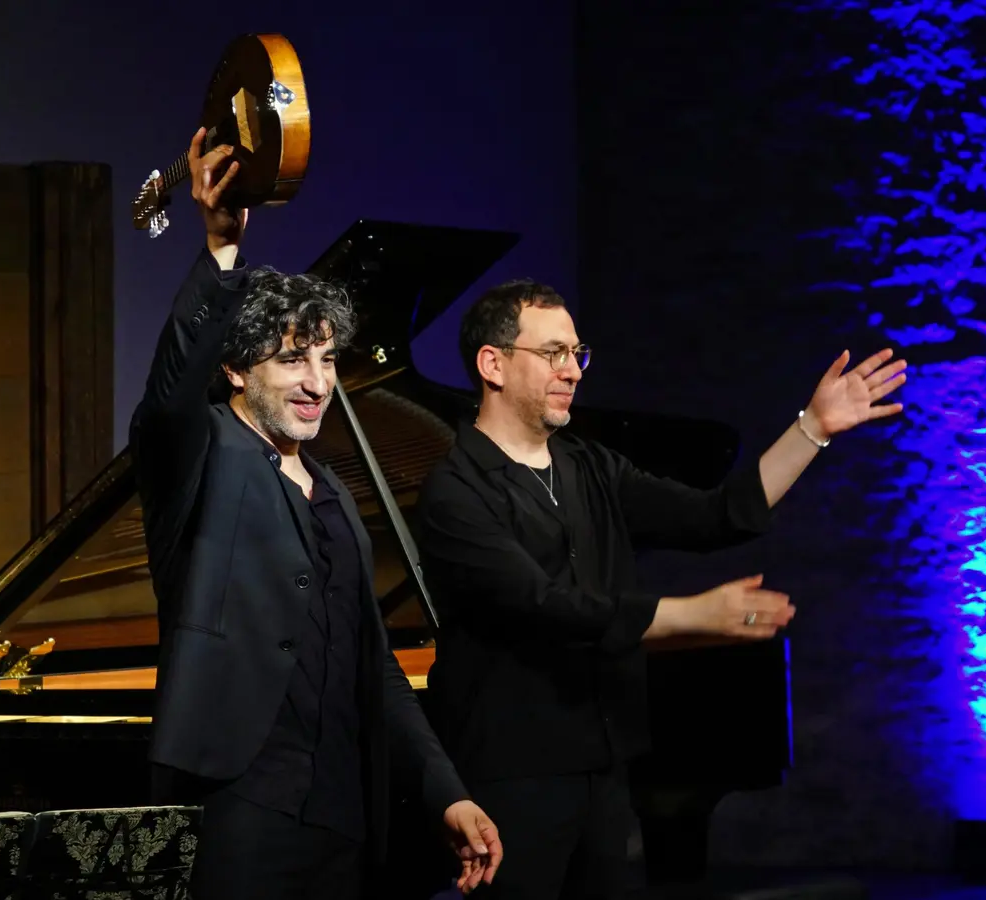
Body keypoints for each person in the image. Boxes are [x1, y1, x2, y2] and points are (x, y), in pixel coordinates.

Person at [415, 279, 907, 898]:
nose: (572, 370)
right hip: (512, 774)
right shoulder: (455, 490)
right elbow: (545, 606)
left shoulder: (589, 465)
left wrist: (814, 427)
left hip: (604, 762)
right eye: (553, 354)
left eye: (577, 354)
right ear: (493, 364)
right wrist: (692, 614)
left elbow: (715, 515)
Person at [129, 128, 503, 899]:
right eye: (292, 358)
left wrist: (447, 791)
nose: (316, 382)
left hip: (345, 813)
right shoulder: (198, 456)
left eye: (327, 359)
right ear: (235, 367)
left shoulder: (333, 489)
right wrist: (222, 251)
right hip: (236, 806)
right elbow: (170, 396)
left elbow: (375, 665)